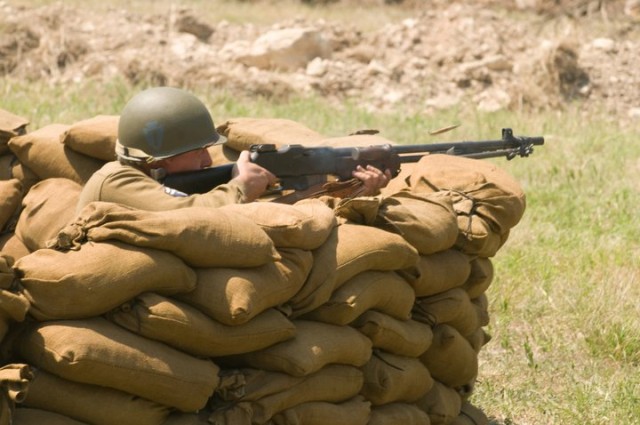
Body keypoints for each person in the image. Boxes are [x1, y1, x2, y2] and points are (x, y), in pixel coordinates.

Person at [76, 86, 390, 213]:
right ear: (158, 159)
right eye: (197, 151)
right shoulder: (115, 182)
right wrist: (240, 186)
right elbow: (189, 219)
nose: (205, 159)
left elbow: (247, 217)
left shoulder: (155, 182)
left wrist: (331, 192)